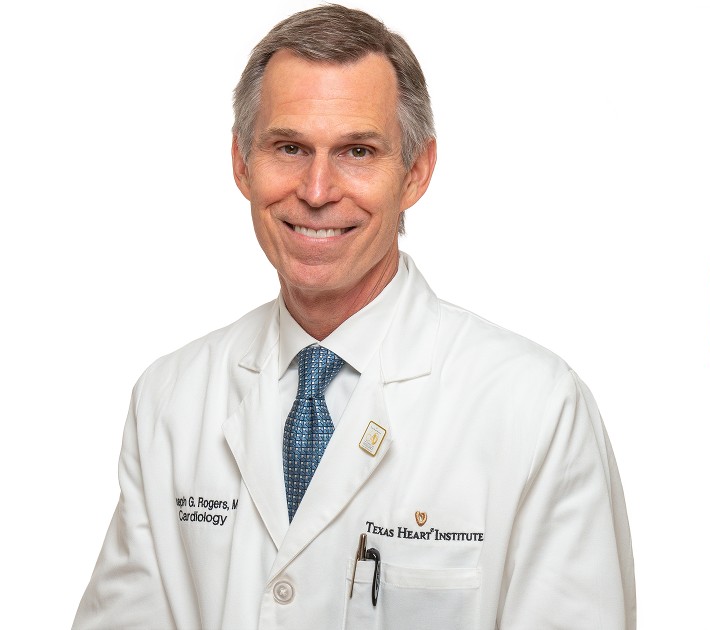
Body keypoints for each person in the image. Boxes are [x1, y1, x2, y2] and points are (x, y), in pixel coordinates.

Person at [72, 5, 635, 629]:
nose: (316, 190)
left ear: (416, 172)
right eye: (289, 147)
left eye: (357, 151)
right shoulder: (171, 400)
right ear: (241, 164)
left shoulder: (534, 408)